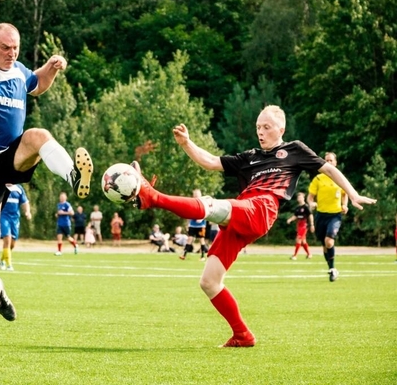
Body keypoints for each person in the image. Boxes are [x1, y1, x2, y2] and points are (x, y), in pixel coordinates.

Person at [131, 105, 376, 347]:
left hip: (263, 208)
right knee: (209, 281)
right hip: (243, 212)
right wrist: (187, 144)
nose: (261, 131)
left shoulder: (294, 150)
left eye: (266, 127)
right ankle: (242, 335)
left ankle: (152, 197)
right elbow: (211, 161)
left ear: (281, 128)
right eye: (258, 127)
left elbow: (328, 168)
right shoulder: (250, 157)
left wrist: (352, 194)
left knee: (210, 205)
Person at [0, 23, 93, 321]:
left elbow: (38, 85)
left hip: (9, 154)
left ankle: (73, 175)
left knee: (37, 136)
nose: (11, 52)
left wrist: (52, 67)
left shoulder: (18, 70)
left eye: (15, 47)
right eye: (5, 47)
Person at [307, 152, 348, 281]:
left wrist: (345, 205)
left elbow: (345, 193)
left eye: (331, 160)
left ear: (335, 163)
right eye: (326, 160)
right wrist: (311, 203)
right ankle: (331, 268)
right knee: (325, 245)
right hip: (321, 215)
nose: (329, 162)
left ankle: (332, 268)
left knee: (329, 241)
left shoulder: (339, 178)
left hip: (335, 215)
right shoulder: (318, 179)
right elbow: (310, 197)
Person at [0, 184, 31, 270]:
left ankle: (2, 260)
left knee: (12, 244)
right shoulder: (1, 187)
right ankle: (9, 265)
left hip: (15, 219)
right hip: (3, 216)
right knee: (7, 239)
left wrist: (27, 212)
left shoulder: (19, 188)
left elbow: (25, 202)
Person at [286, 192, 313, 260]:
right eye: (298, 197)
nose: (299, 198)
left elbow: (310, 215)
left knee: (298, 239)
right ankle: (309, 254)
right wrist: (290, 220)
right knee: (303, 241)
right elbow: (295, 216)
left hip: (304, 225)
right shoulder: (298, 207)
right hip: (299, 224)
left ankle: (295, 255)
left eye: (300, 197)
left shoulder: (306, 207)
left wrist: (312, 224)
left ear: (303, 198)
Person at [184, 189, 208, 261]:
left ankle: (203, 255)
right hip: (192, 225)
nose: (196, 196)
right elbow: (189, 214)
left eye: (198, 194)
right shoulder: (192, 203)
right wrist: (187, 224)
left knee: (201, 240)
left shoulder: (204, 203)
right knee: (189, 239)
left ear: (200, 195)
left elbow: (207, 212)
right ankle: (184, 254)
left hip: (201, 225)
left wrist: (201, 218)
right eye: (195, 195)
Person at [55, 191, 77, 256]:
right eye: (60, 197)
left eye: (62, 197)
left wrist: (64, 213)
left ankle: (75, 245)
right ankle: (59, 251)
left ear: (65, 198)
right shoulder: (59, 204)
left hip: (66, 223)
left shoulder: (67, 204)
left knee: (68, 238)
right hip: (59, 223)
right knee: (59, 237)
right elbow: (59, 213)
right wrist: (57, 214)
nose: (61, 198)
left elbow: (72, 213)